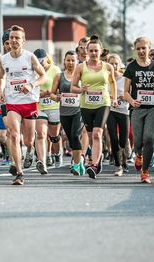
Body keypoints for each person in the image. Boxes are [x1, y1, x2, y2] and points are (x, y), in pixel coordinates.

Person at [0, 25, 47, 185]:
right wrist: (0, 90)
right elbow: (1, 77)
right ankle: (19, 172)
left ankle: (30, 151)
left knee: (28, 140)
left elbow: (43, 77)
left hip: (29, 102)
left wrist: (31, 85)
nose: (14, 40)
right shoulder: (2, 60)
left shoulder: (29, 57)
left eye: (17, 38)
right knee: (14, 134)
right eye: (11, 38)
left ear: (23, 41)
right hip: (12, 102)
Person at [71, 34, 117, 179]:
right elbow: (73, 87)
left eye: (96, 51)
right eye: (90, 51)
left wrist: (114, 98)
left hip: (103, 103)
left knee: (98, 133)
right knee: (91, 136)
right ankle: (99, 155)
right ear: (87, 51)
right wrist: (82, 90)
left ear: (101, 51)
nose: (93, 53)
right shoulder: (80, 67)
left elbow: (112, 83)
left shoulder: (108, 67)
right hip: (86, 105)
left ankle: (94, 164)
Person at [123, 37, 154, 183]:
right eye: (138, 48)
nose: (141, 51)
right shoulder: (131, 67)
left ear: (149, 49)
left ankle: (145, 172)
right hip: (137, 108)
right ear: (135, 50)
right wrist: (131, 101)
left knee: (149, 138)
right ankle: (138, 154)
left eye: (144, 48)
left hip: (153, 107)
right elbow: (126, 92)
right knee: (138, 141)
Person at [52, 50, 85, 175]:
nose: (70, 62)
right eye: (68, 60)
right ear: (64, 61)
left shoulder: (82, 75)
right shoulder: (59, 76)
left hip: (79, 110)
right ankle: (80, 159)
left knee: (75, 135)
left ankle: (76, 165)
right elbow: (51, 93)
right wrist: (56, 97)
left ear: (77, 62)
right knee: (71, 140)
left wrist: (82, 91)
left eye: (73, 60)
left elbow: (87, 90)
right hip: (64, 112)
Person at [34, 48, 62, 174]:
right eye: (38, 62)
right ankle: (42, 161)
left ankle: (57, 154)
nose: (40, 64)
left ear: (47, 58)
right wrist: (42, 93)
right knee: (41, 134)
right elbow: (32, 89)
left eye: (42, 61)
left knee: (54, 136)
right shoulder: (33, 71)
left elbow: (59, 89)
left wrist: (51, 94)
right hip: (39, 106)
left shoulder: (55, 70)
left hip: (53, 106)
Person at [106, 53, 129, 176]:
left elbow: (130, 94)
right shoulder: (105, 78)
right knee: (113, 138)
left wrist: (123, 97)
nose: (114, 66)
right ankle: (118, 164)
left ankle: (124, 160)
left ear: (120, 65)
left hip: (124, 111)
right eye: (112, 63)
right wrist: (109, 97)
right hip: (110, 111)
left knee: (123, 140)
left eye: (116, 63)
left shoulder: (125, 78)